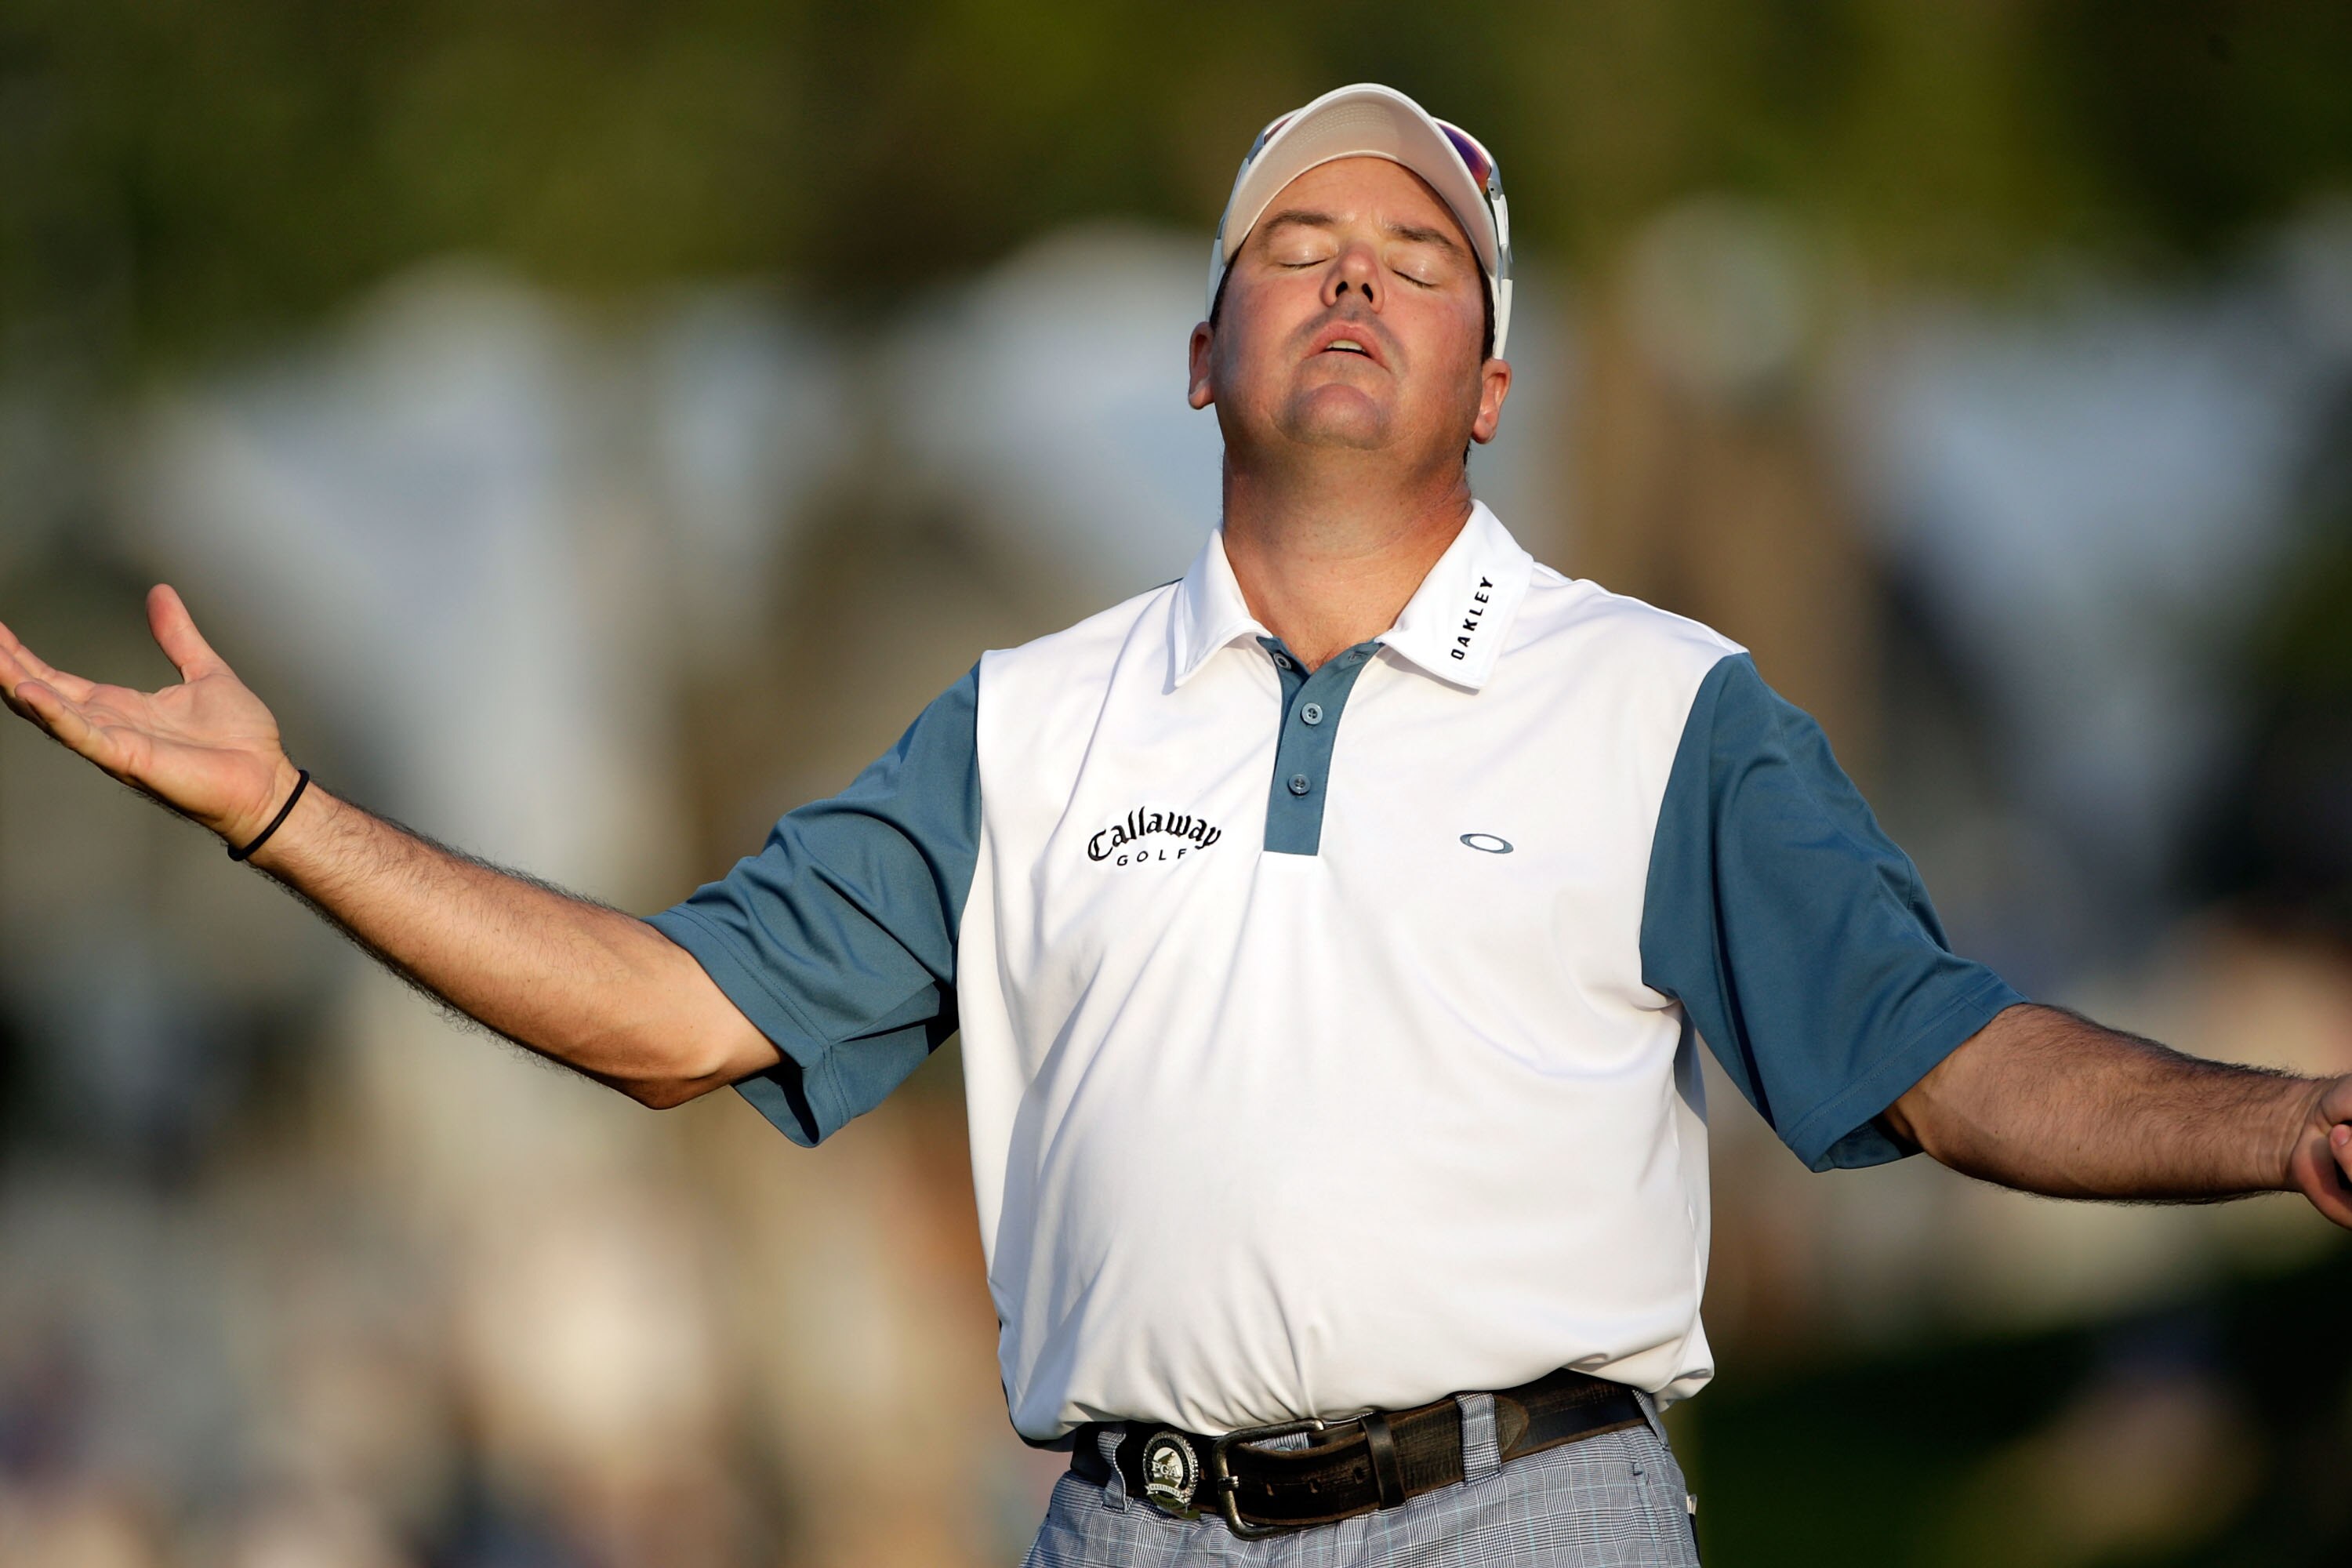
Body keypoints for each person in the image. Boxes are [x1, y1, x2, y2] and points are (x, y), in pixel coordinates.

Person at [4, 82, 2348, 1566]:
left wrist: (2292, 1130)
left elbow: (1943, 1059)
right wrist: (289, 812)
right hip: (1133, 1539)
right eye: (1298, 249)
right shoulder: (1022, 725)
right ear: (1199, 353)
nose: (1355, 278)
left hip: (1527, 1521)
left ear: (1495, 380)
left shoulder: (1665, 710)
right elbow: (673, 1010)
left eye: (1419, 256)